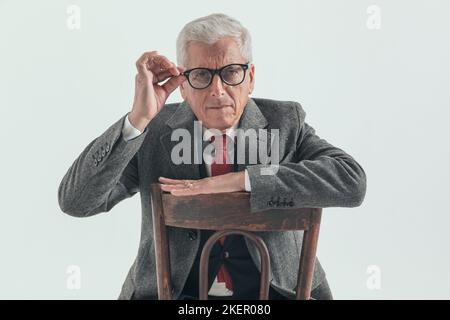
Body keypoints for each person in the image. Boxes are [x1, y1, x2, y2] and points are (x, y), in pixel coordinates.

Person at [58, 13, 366, 300]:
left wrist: (243, 180)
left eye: (231, 72)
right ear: (183, 86)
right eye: (202, 75)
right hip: (175, 294)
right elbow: (76, 202)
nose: (218, 90)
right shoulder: (154, 131)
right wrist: (136, 120)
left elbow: (350, 181)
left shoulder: (285, 121)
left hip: (278, 292)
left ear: (251, 77)